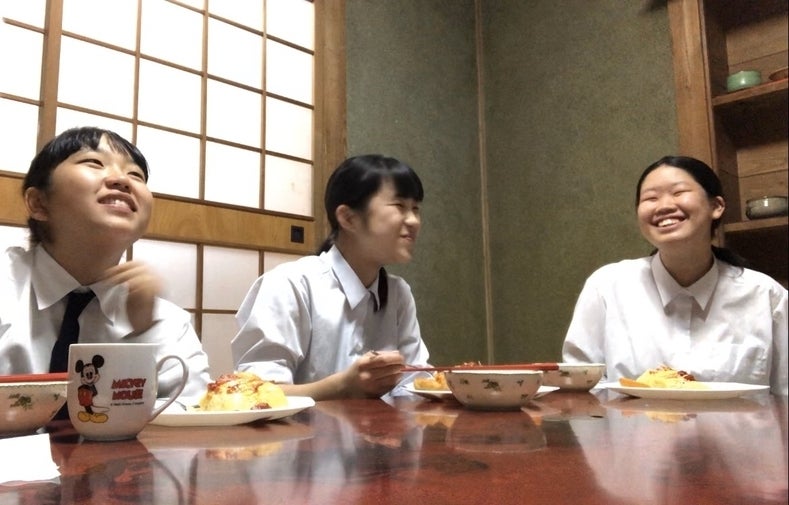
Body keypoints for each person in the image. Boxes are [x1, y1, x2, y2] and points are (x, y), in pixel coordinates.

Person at [0, 126, 210, 399]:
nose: (122, 180)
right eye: (94, 162)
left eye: (135, 175)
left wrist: (144, 333)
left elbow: (192, 411)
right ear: (39, 203)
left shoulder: (166, 321)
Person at [562, 155, 788, 395]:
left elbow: (785, 392)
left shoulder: (765, 295)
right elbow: (581, 387)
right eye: (650, 198)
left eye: (678, 192)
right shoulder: (607, 286)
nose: (664, 206)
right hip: (630, 421)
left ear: (716, 206)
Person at [232, 154, 431, 400]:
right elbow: (256, 394)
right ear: (348, 218)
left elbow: (414, 385)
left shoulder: (398, 293)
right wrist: (342, 386)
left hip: (385, 427)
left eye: (416, 209)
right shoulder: (291, 284)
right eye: (400, 206)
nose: (413, 221)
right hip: (297, 428)